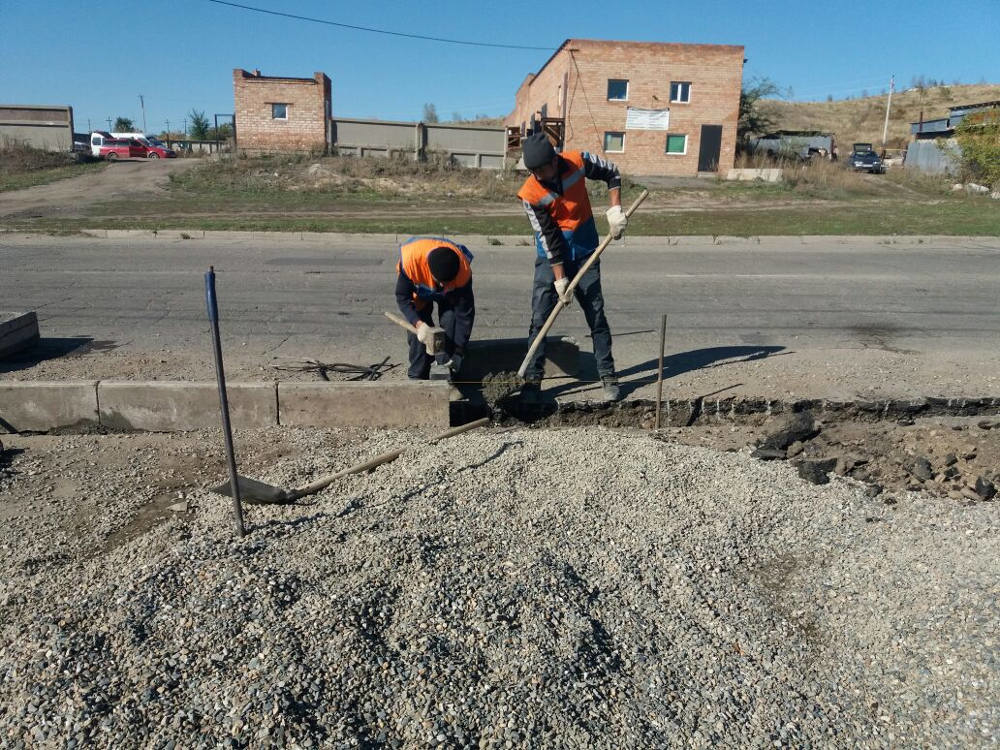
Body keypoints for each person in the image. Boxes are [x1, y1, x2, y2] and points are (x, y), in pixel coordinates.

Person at [516, 132, 627, 401]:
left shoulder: (578, 161)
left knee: (596, 315)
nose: (541, 176)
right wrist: (560, 279)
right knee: (540, 318)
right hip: (551, 256)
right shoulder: (530, 193)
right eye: (535, 171)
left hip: (586, 250)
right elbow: (548, 237)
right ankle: (532, 380)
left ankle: (608, 374)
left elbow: (612, 173)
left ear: (554, 159)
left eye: (544, 168)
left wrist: (614, 210)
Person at [395, 236, 475, 380]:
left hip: (451, 295)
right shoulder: (411, 262)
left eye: (448, 282)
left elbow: (465, 314)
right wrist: (419, 325)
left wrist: (459, 351)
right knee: (418, 337)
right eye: (442, 282)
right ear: (431, 272)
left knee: (451, 322)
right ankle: (418, 377)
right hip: (419, 289)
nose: (444, 286)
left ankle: (447, 374)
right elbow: (403, 298)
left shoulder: (462, 272)